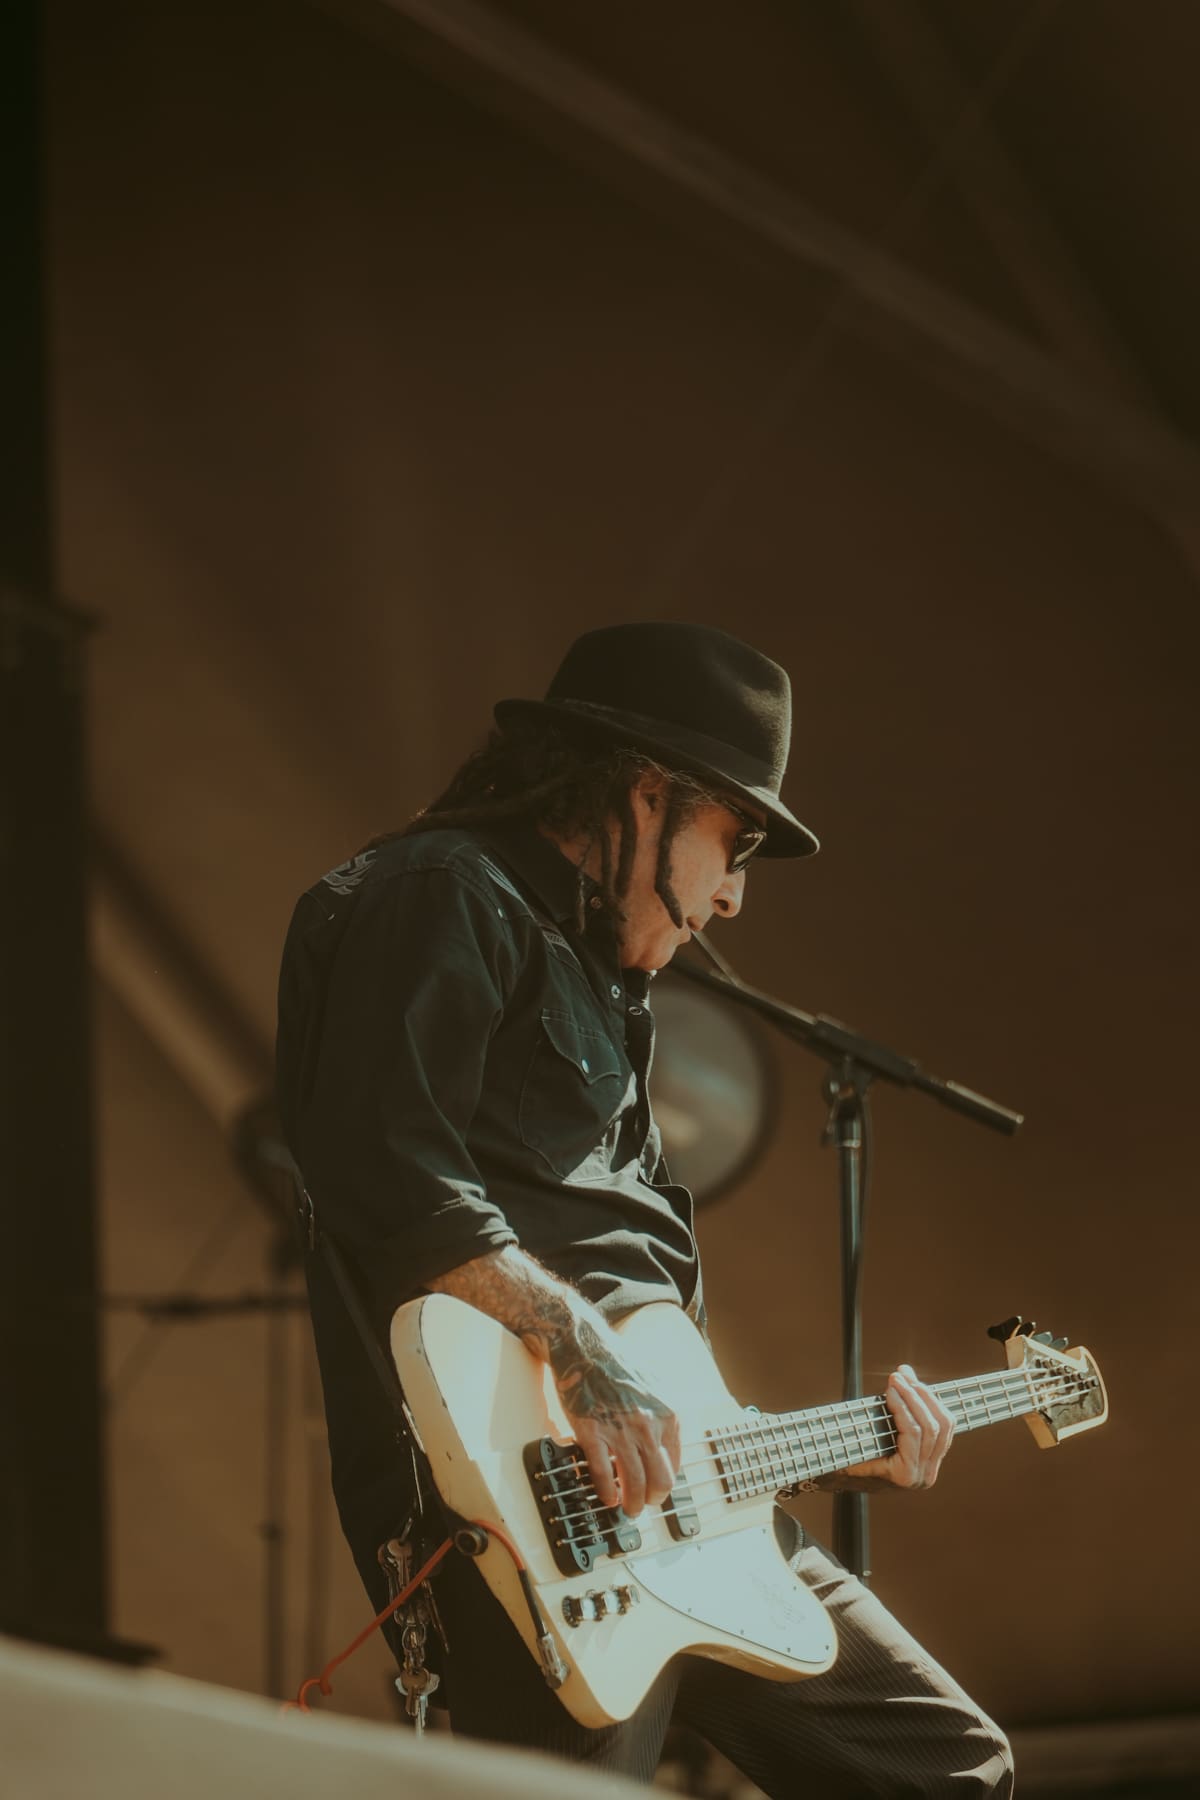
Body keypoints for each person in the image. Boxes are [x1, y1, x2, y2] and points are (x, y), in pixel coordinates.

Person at [275, 620, 1014, 1795]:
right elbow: (387, 1166)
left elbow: (643, 1320)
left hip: (679, 1515)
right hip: (523, 1514)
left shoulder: (612, 982)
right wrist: (577, 1349)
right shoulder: (443, 888)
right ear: (646, 789)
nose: (733, 896)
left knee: (950, 1769)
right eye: (738, 841)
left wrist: (814, 1454)